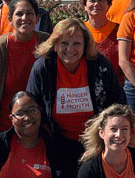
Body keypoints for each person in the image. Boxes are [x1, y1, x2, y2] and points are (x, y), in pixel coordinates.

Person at [27, 18, 126, 155]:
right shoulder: (43, 68)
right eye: (64, 43)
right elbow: (32, 107)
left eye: (77, 43)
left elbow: (118, 102)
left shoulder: (100, 65)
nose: (70, 49)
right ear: (54, 44)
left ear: (85, 45)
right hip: (55, 141)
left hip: (96, 141)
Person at [0, 0, 50, 139]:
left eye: (30, 13)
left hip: (39, 130)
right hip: (4, 128)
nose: (25, 18)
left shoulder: (47, 43)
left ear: (37, 18)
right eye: (19, 14)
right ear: (10, 19)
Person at [82, 0, 124, 85]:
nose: (96, 4)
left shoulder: (120, 30)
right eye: (92, 0)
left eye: (101, 1)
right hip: (84, 89)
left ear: (109, 5)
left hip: (114, 88)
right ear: (85, 6)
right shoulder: (79, 31)